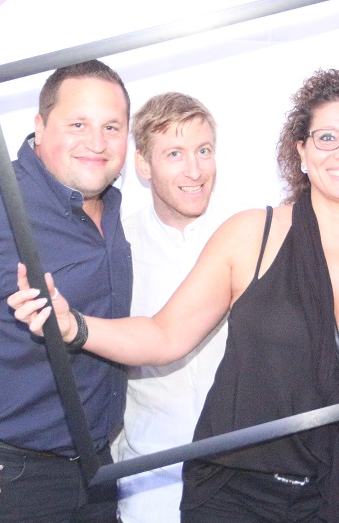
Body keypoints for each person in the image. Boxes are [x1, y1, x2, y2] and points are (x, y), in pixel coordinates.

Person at [10, 69, 339, 522]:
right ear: (301, 151)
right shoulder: (253, 235)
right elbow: (164, 335)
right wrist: (75, 327)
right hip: (238, 496)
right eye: (327, 138)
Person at [0, 60, 132, 521]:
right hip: (4, 484)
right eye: (78, 124)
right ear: (40, 126)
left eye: (111, 127)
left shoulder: (112, 206)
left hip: (96, 473)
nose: (97, 143)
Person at [113, 92, 240, 522]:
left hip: (244, 474)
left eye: (204, 151)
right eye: (174, 154)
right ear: (143, 165)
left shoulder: (253, 235)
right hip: (150, 476)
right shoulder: (117, 250)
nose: (195, 170)